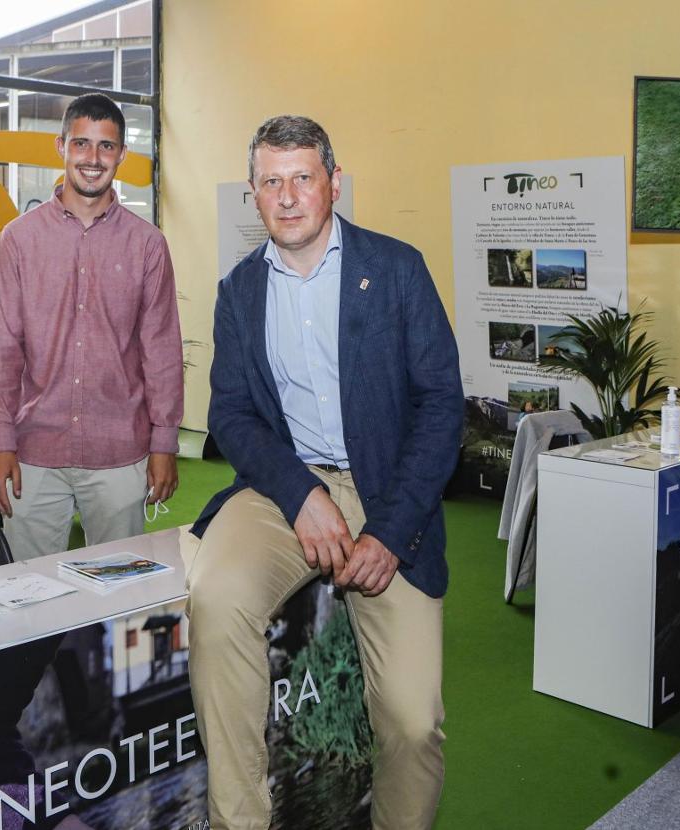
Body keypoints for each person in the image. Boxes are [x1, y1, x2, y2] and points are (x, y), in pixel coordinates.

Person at [187, 115, 463, 829]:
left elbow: (441, 407)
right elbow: (231, 415)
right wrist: (302, 494)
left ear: (334, 183)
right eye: (270, 182)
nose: (287, 197)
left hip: (388, 492)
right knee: (216, 598)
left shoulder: (396, 269)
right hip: (284, 488)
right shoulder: (240, 291)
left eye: (302, 178)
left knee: (412, 722)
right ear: (253, 192)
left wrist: (390, 532)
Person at [0, 93, 183, 559]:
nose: (93, 158)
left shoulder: (148, 245)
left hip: (120, 450)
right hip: (33, 451)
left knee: (121, 590)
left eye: (106, 146)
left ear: (121, 154)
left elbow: (161, 351)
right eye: (81, 144)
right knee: (30, 589)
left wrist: (164, 444)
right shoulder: (18, 240)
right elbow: (2, 348)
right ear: (62, 147)